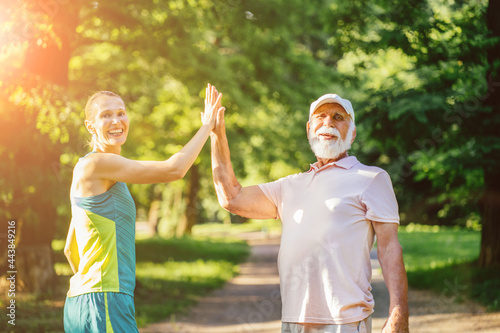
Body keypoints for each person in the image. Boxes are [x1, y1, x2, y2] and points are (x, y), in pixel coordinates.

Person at [210, 93, 409, 333]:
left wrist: (398, 314)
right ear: (309, 129)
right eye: (320, 117)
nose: (328, 123)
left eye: (338, 117)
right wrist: (217, 136)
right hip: (293, 322)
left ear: (352, 133)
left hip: (344, 321)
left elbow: (389, 249)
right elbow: (231, 198)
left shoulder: (372, 178)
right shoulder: (289, 185)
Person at [63, 84, 224, 332]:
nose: (116, 120)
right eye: (106, 115)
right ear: (91, 126)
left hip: (86, 299)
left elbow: (69, 248)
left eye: (121, 113)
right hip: (105, 298)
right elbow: (174, 169)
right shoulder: (96, 165)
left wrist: (91, 287)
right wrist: (207, 126)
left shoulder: (91, 170)